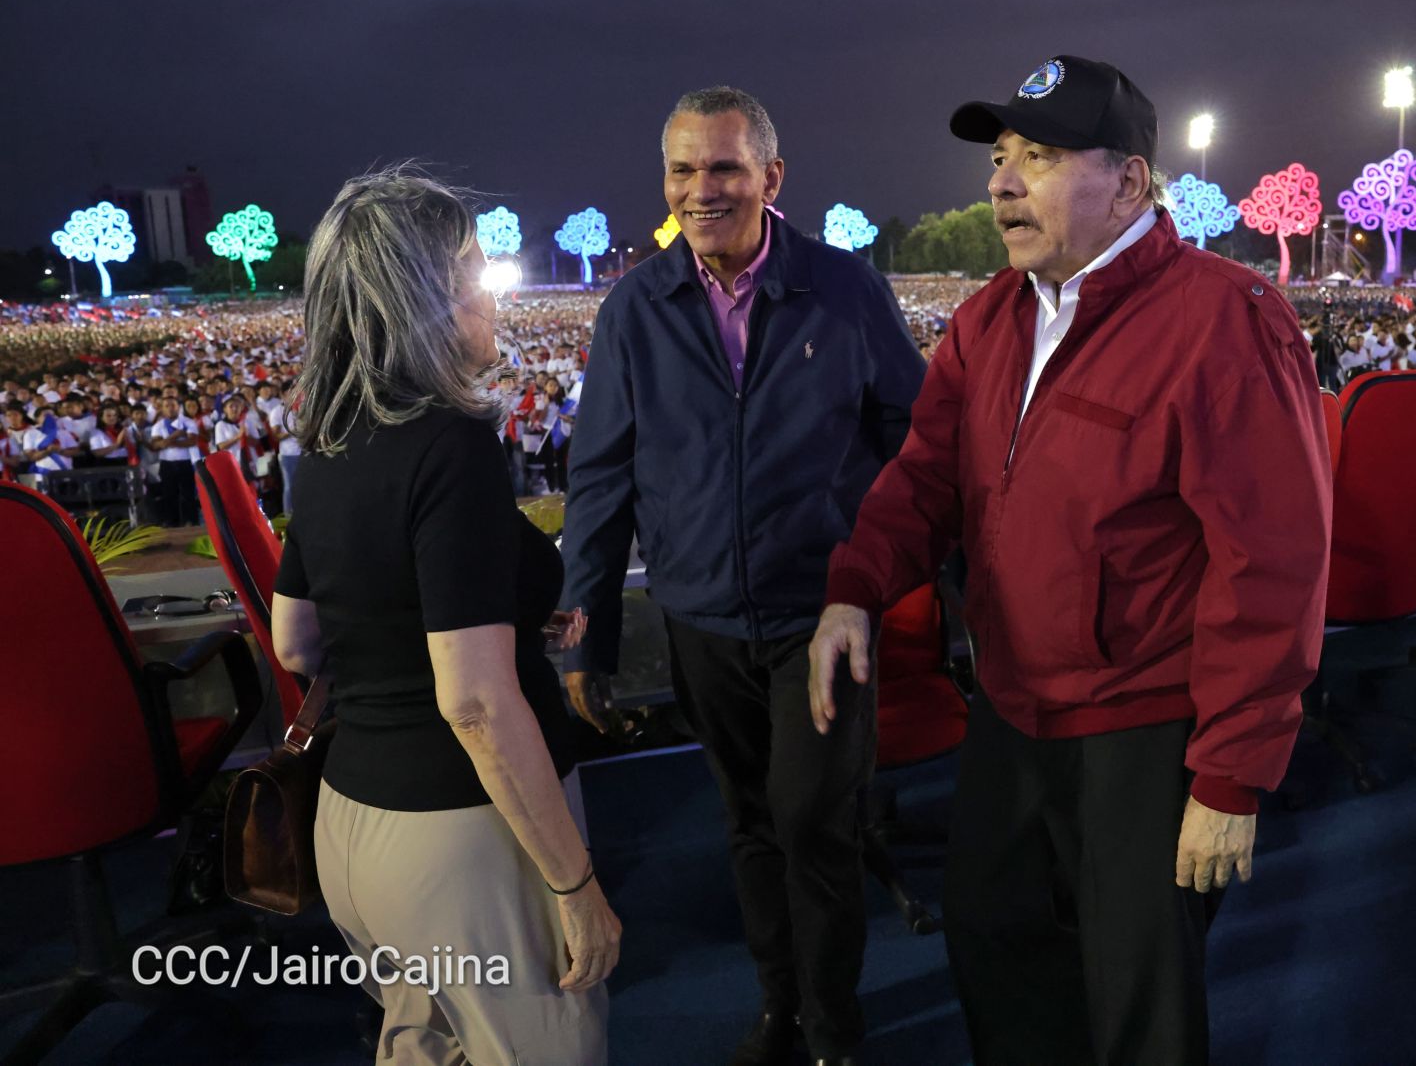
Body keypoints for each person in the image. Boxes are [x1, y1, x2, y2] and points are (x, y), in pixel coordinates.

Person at [808, 56, 1332, 1066]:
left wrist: (1230, 774)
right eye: (999, 158)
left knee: (1139, 1007)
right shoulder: (989, 318)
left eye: (1039, 158)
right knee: (996, 952)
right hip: (1012, 711)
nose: (1002, 183)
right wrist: (856, 587)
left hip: (1144, 728)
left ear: (1128, 182)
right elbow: (926, 477)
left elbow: (1273, 562)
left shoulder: (1223, 319)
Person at [563, 86, 925, 1066]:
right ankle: (781, 1010)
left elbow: (917, 438)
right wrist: (585, 636)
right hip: (700, 618)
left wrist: (881, 566)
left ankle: (834, 1030)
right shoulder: (634, 309)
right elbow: (598, 478)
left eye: (723, 167)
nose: (701, 189)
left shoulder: (844, 289)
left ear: (771, 176)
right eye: (682, 170)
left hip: (822, 615)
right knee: (750, 824)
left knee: (813, 821)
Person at [270, 167, 617, 1066]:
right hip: (463, 837)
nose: (491, 290)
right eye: (473, 271)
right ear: (424, 298)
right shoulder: (450, 445)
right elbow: (474, 703)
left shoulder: (331, 437)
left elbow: (297, 639)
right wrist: (573, 882)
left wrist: (501, 613)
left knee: (423, 1046)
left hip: (355, 826)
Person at [148, 395, 199, 526]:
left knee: (188, 494)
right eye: (167, 406)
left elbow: (192, 441)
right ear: (162, 409)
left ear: (178, 407)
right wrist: (176, 435)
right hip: (167, 464)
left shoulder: (188, 422)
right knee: (169, 494)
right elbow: (155, 446)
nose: (170, 408)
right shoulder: (158, 426)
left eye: (173, 405)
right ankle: (172, 522)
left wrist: (166, 442)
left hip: (186, 462)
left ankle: (191, 521)